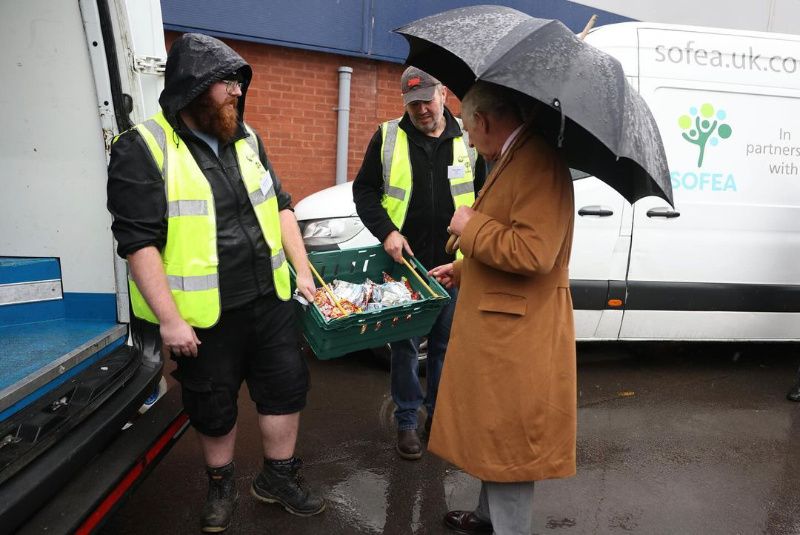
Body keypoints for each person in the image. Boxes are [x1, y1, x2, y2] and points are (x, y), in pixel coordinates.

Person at [107, 33, 324, 533]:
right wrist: (169, 320)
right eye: (225, 83)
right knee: (212, 403)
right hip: (203, 317)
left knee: (286, 390)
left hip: (269, 302)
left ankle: (278, 477)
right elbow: (138, 243)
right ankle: (221, 482)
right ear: (193, 88)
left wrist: (305, 275)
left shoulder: (247, 138)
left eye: (237, 83)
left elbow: (282, 207)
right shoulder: (142, 148)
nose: (236, 93)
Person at [428, 81, 577, 535]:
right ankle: (487, 518)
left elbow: (535, 253)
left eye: (470, 130)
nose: (469, 140)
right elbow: (508, 239)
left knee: (509, 442)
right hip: (503, 328)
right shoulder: (514, 156)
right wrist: (463, 269)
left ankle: (508, 528)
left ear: (486, 121)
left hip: (518, 337)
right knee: (492, 430)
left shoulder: (536, 162)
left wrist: (470, 227)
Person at [353, 66, 486, 460]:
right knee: (405, 347)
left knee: (444, 346)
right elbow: (365, 192)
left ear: (443, 94)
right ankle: (408, 421)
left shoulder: (470, 136)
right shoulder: (387, 137)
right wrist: (387, 232)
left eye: (426, 101)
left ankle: (437, 418)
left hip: (451, 264)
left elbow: (488, 193)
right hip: (404, 266)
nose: (422, 110)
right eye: (413, 104)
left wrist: (474, 232)